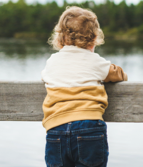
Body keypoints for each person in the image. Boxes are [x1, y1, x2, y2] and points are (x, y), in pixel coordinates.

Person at [41, 6, 127, 167]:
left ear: (60, 38)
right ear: (94, 39)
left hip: (56, 128)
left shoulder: (52, 61)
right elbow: (118, 75)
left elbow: (44, 76)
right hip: (89, 127)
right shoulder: (95, 61)